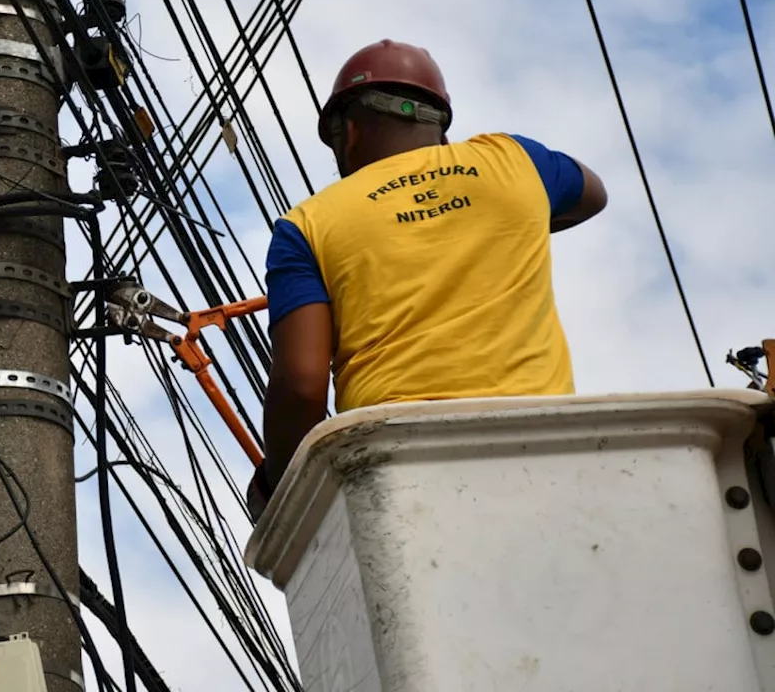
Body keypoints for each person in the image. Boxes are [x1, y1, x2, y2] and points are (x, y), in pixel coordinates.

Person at [247, 39, 607, 519]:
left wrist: (278, 486)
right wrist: (504, 220)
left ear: (347, 131)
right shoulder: (514, 160)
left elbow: (303, 384)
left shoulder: (307, 224)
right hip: (542, 444)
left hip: (399, 465)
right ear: (439, 123)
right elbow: (592, 194)